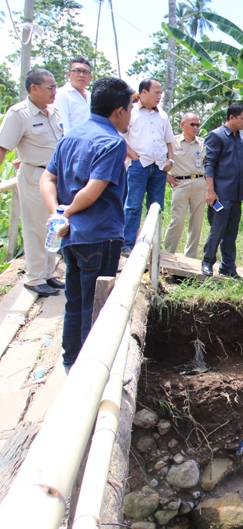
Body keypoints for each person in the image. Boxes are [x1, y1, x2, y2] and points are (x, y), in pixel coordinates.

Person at [39, 77, 134, 372]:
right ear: (119, 110)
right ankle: (88, 371)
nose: (131, 114)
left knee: (74, 302)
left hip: (71, 238)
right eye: (130, 108)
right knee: (95, 307)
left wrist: (58, 212)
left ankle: (70, 363)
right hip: (99, 235)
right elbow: (92, 192)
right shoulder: (112, 142)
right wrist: (66, 214)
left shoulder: (71, 136)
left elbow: (47, 178)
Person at [0, 68, 63, 296]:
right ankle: (35, 277)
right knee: (35, 227)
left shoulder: (54, 112)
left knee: (51, 225)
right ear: (34, 88)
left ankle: (47, 273)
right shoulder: (19, 114)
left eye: (55, 87)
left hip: (55, 177)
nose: (55, 92)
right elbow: (3, 147)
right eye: (51, 87)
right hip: (34, 176)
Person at [200, 102, 243, 278]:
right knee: (217, 229)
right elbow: (209, 164)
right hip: (220, 193)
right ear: (231, 117)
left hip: (236, 193)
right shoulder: (216, 136)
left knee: (232, 231)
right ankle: (207, 262)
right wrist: (210, 191)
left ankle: (228, 266)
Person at [122, 78, 174, 256]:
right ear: (143, 92)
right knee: (133, 205)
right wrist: (132, 155)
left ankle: (151, 244)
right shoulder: (131, 113)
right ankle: (127, 244)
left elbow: (169, 142)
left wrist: (170, 161)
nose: (160, 96)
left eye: (161, 93)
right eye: (156, 92)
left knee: (156, 207)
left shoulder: (162, 115)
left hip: (159, 167)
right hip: (139, 166)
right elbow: (120, 136)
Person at [163, 112, 206, 258]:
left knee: (197, 222)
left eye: (197, 125)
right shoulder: (172, 142)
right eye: (192, 124)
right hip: (180, 183)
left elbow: (209, 163)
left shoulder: (202, 143)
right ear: (182, 125)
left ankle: (190, 257)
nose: (195, 128)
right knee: (177, 219)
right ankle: (168, 253)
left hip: (200, 183)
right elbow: (160, 160)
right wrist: (166, 176)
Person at [53, 57, 92, 133]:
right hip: (72, 142)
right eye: (77, 71)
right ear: (69, 74)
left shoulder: (91, 96)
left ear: (90, 77)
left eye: (85, 72)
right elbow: (64, 127)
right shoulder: (62, 94)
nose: (81, 75)